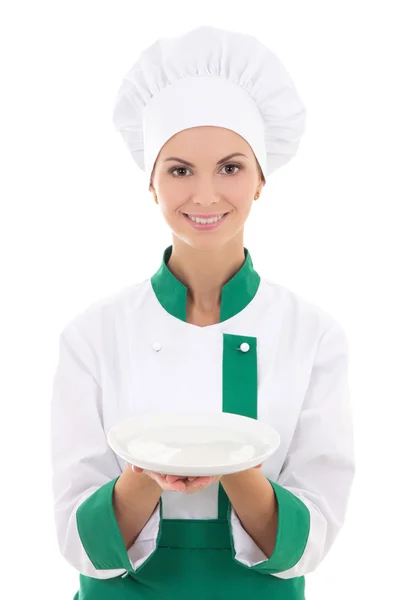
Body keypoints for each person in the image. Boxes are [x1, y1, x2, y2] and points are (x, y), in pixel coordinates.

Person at [50, 25, 355, 600]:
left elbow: (313, 535)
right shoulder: (93, 335)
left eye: (232, 167)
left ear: (263, 178)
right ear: (151, 181)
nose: (207, 195)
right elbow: (75, 536)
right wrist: (146, 476)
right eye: (180, 169)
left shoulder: (312, 335)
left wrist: (235, 467)